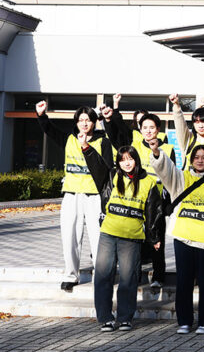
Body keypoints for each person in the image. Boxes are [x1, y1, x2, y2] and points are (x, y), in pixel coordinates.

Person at [150, 135, 204, 335]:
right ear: (191, 159)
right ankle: (185, 321)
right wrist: (156, 152)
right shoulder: (182, 177)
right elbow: (166, 169)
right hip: (184, 238)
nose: (200, 160)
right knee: (184, 282)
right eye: (196, 157)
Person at [36, 100, 114, 292]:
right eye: (81, 120)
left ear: (94, 122)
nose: (84, 123)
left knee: (98, 238)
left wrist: (86, 146)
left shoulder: (103, 142)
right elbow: (49, 130)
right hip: (71, 194)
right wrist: (41, 115)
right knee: (69, 236)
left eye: (88, 120)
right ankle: (71, 275)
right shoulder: (69, 139)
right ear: (76, 122)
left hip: (94, 196)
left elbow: (107, 170)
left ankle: (101, 276)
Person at [83, 142, 162, 331]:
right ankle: (105, 318)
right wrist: (86, 146)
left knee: (128, 278)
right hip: (108, 234)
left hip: (131, 238)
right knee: (103, 276)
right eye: (122, 160)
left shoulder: (148, 182)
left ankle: (125, 318)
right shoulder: (111, 176)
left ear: (136, 160)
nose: (127, 163)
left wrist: (154, 238)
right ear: (118, 162)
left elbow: (154, 211)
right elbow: (96, 166)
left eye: (130, 159)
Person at [105, 103, 175, 289]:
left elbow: (172, 177)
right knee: (135, 241)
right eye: (145, 127)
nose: (148, 131)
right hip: (135, 199)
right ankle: (135, 276)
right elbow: (115, 136)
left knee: (157, 239)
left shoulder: (168, 149)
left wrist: (169, 204)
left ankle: (158, 276)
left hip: (157, 201)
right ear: (140, 129)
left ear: (158, 129)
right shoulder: (133, 146)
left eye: (152, 127)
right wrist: (110, 119)